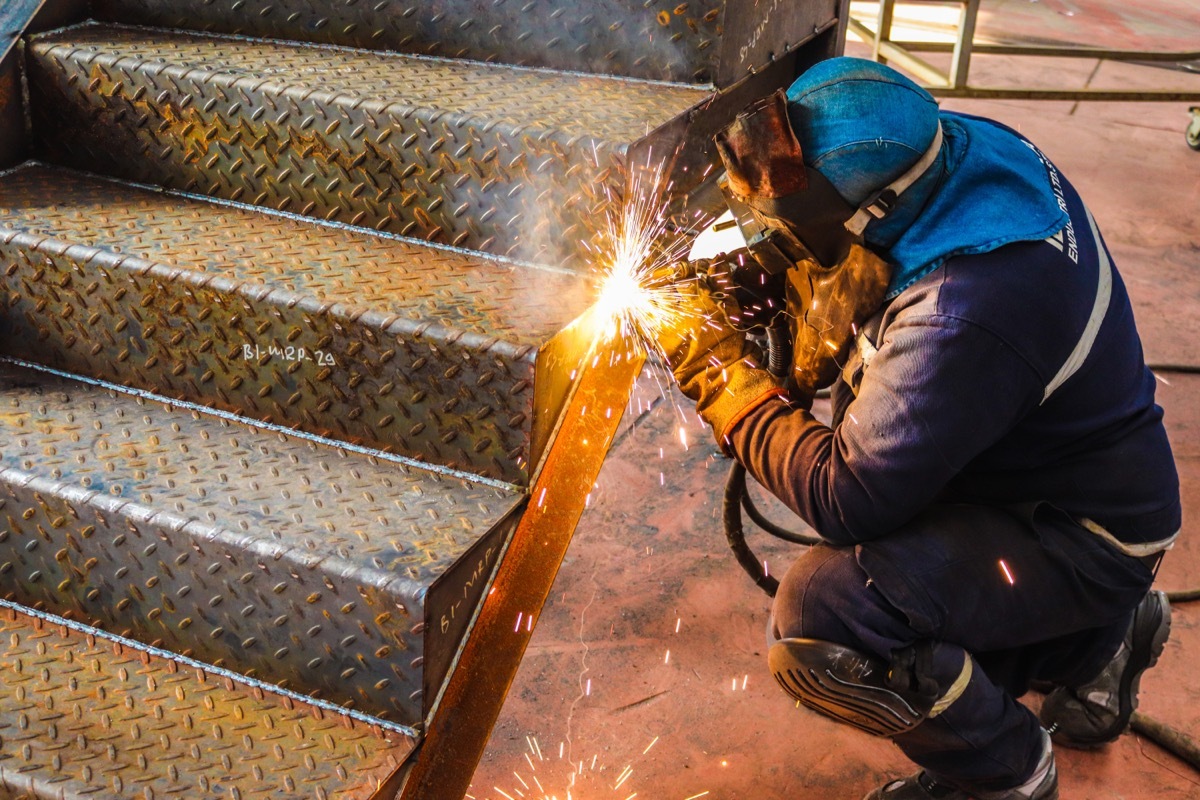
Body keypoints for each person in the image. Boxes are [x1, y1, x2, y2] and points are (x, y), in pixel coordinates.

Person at [659, 57, 1179, 800]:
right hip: (1058, 476)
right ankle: (1098, 640)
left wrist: (722, 378)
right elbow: (858, 248)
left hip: (1083, 535)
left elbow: (850, 497)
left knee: (829, 619)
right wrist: (764, 266)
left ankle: (1005, 772)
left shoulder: (966, 309)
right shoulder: (947, 152)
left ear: (873, 208)